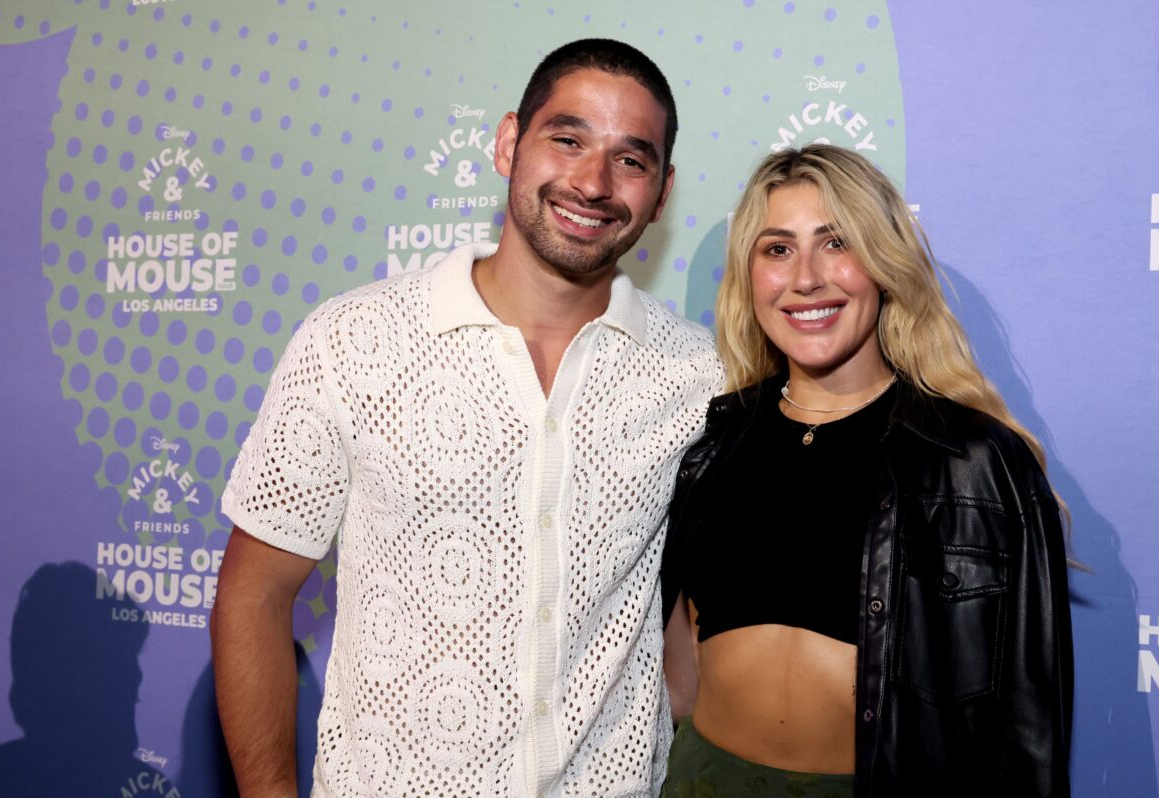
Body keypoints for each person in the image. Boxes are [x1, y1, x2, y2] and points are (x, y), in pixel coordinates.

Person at [212, 39, 722, 797]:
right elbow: (253, 596)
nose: (592, 181)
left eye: (631, 159)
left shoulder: (700, 375)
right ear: (509, 141)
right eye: (568, 139)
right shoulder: (353, 341)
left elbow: (691, 616)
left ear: (662, 189)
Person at [659, 144, 1072, 796]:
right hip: (703, 779)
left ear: (882, 265)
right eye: (777, 249)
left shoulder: (973, 461)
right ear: (749, 276)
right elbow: (679, 659)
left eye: (835, 243)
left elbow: (1026, 727)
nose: (805, 277)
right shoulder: (716, 440)